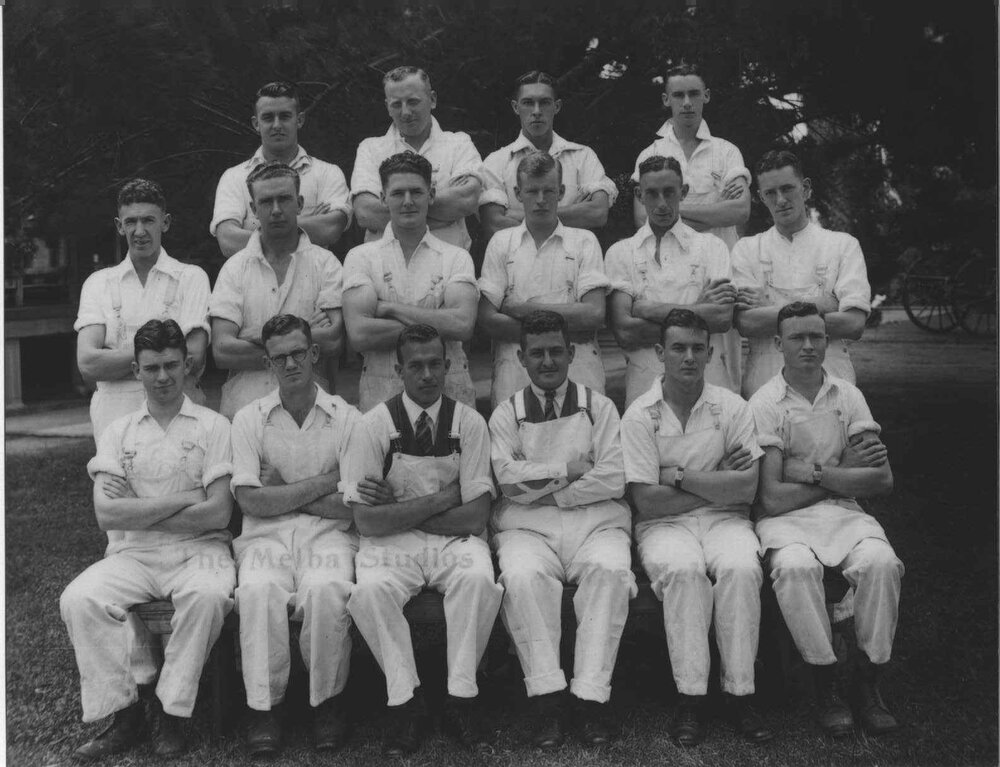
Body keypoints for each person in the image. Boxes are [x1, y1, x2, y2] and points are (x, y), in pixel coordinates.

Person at [60, 319, 235, 761]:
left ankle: (172, 710)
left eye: (171, 365)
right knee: (79, 598)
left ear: (187, 366)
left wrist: (138, 508)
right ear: (136, 370)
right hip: (133, 553)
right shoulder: (118, 432)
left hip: (202, 551)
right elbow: (107, 515)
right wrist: (187, 498)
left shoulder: (214, 426)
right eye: (152, 367)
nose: (162, 377)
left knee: (208, 596)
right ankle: (126, 715)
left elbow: (218, 513)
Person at [342, 324, 502, 756]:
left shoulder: (470, 423)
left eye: (435, 364)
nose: (427, 374)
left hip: (453, 541)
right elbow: (366, 522)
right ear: (399, 370)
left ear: (448, 366)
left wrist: (399, 508)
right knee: (371, 591)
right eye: (416, 366)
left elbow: (476, 516)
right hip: (392, 545)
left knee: (477, 580)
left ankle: (461, 697)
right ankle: (406, 702)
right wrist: (443, 499)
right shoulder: (372, 425)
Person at [619, 309, 772, 746]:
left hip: (727, 520)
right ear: (659, 352)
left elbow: (747, 489)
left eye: (697, 348)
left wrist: (680, 477)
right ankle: (691, 697)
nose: (688, 357)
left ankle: (740, 693)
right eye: (678, 348)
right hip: (663, 525)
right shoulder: (639, 415)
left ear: (709, 353)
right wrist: (717, 481)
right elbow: (647, 501)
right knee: (684, 572)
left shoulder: (732, 407)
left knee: (741, 569)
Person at [750, 301, 901, 737]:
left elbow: (882, 480)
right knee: (794, 568)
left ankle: (868, 681)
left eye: (816, 336)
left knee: (882, 563)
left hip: (844, 512)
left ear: (828, 340)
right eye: (797, 337)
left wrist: (814, 472)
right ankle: (825, 682)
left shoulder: (848, 396)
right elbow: (772, 498)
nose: (808, 345)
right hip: (786, 521)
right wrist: (842, 473)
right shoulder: (764, 403)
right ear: (778, 344)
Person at [489, 310, 634, 749]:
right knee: (522, 577)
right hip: (528, 530)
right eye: (537, 353)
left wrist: (548, 492)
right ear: (521, 358)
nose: (548, 361)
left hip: (596, 524)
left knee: (610, 573)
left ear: (572, 353)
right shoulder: (506, 414)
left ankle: (591, 698)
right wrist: (569, 469)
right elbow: (507, 481)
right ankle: (547, 699)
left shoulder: (600, 407)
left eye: (556, 351)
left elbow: (614, 477)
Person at [229, 314, 362, 755]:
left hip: (329, 535)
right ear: (267, 363)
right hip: (264, 537)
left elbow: (352, 504)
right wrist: (325, 481)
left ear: (314, 353)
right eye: (279, 357)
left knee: (325, 589)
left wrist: (283, 489)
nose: (290, 364)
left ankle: (328, 703)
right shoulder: (249, 419)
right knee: (258, 590)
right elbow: (251, 502)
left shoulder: (346, 418)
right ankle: (265, 709)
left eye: (298, 353)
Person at [76, 178, 210, 443]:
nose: (139, 231)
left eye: (148, 220)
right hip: (114, 419)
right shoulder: (99, 283)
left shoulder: (190, 278)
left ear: (165, 222)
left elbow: (194, 357)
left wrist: (115, 362)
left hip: (178, 417)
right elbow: (88, 364)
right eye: (131, 222)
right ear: (119, 226)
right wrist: (167, 359)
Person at [342, 151, 478, 412]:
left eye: (416, 192)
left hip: (449, 394)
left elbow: (462, 325)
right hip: (382, 396)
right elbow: (360, 334)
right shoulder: (361, 257)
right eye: (397, 193)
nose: (407, 202)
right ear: (383, 198)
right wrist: (438, 320)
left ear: (431, 194)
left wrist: (389, 308)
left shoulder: (456, 257)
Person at [210, 162, 344, 420]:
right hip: (245, 412)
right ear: (253, 209)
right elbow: (223, 351)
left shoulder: (326, 263)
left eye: (284, 199)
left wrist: (253, 334)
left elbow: (333, 341)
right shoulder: (234, 268)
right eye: (266, 202)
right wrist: (304, 332)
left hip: (313, 413)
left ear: (300, 203)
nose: (276, 210)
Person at [733, 150, 871, 397]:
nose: (781, 200)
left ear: (806, 189)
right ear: (761, 197)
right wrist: (823, 304)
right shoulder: (746, 249)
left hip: (833, 386)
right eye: (770, 193)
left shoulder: (842, 245)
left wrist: (770, 308)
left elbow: (853, 324)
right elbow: (747, 323)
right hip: (764, 388)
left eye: (787, 189)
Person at [478, 153, 610, 407]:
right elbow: (488, 320)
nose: (541, 200)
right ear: (518, 194)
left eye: (548, 191)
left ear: (561, 192)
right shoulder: (501, 243)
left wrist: (522, 309)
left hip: (579, 372)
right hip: (515, 373)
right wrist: (568, 328)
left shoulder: (584, 241)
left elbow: (593, 314)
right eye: (532, 191)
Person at [607, 155, 739, 408]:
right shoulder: (621, 252)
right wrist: (698, 310)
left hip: (709, 389)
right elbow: (625, 331)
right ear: (639, 195)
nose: (662, 203)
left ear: (683, 192)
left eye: (669, 192)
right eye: (652, 194)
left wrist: (648, 309)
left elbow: (722, 318)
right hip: (644, 392)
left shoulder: (712, 246)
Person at [210, 81, 351, 258]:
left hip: (315, 274)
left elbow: (330, 229)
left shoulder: (327, 173)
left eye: (284, 116)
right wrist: (305, 224)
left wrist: (259, 229)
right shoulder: (234, 178)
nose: (277, 125)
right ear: (256, 123)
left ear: (299, 120)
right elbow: (228, 241)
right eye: (268, 118)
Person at [351, 66, 482, 250]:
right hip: (385, 264)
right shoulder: (370, 149)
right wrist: (443, 213)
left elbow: (466, 200)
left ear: (432, 100)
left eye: (413, 102)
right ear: (387, 107)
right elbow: (366, 212)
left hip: (447, 263)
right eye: (396, 104)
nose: (405, 112)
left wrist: (398, 209)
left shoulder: (459, 144)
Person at [479, 70, 618, 240]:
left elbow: (598, 213)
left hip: (572, 254)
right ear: (516, 107)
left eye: (544, 102)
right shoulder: (496, 162)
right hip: (517, 255)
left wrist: (517, 215)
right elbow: (494, 225)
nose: (537, 111)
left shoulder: (583, 156)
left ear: (556, 106)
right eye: (528, 103)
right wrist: (575, 212)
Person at [631, 63, 750, 250]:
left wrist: (666, 209)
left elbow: (740, 211)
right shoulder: (650, 154)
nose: (687, 102)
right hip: (670, 261)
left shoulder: (727, 151)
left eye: (694, 94)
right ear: (666, 100)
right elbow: (642, 219)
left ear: (706, 96)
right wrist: (717, 211)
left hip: (719, 261)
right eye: (678, 95)